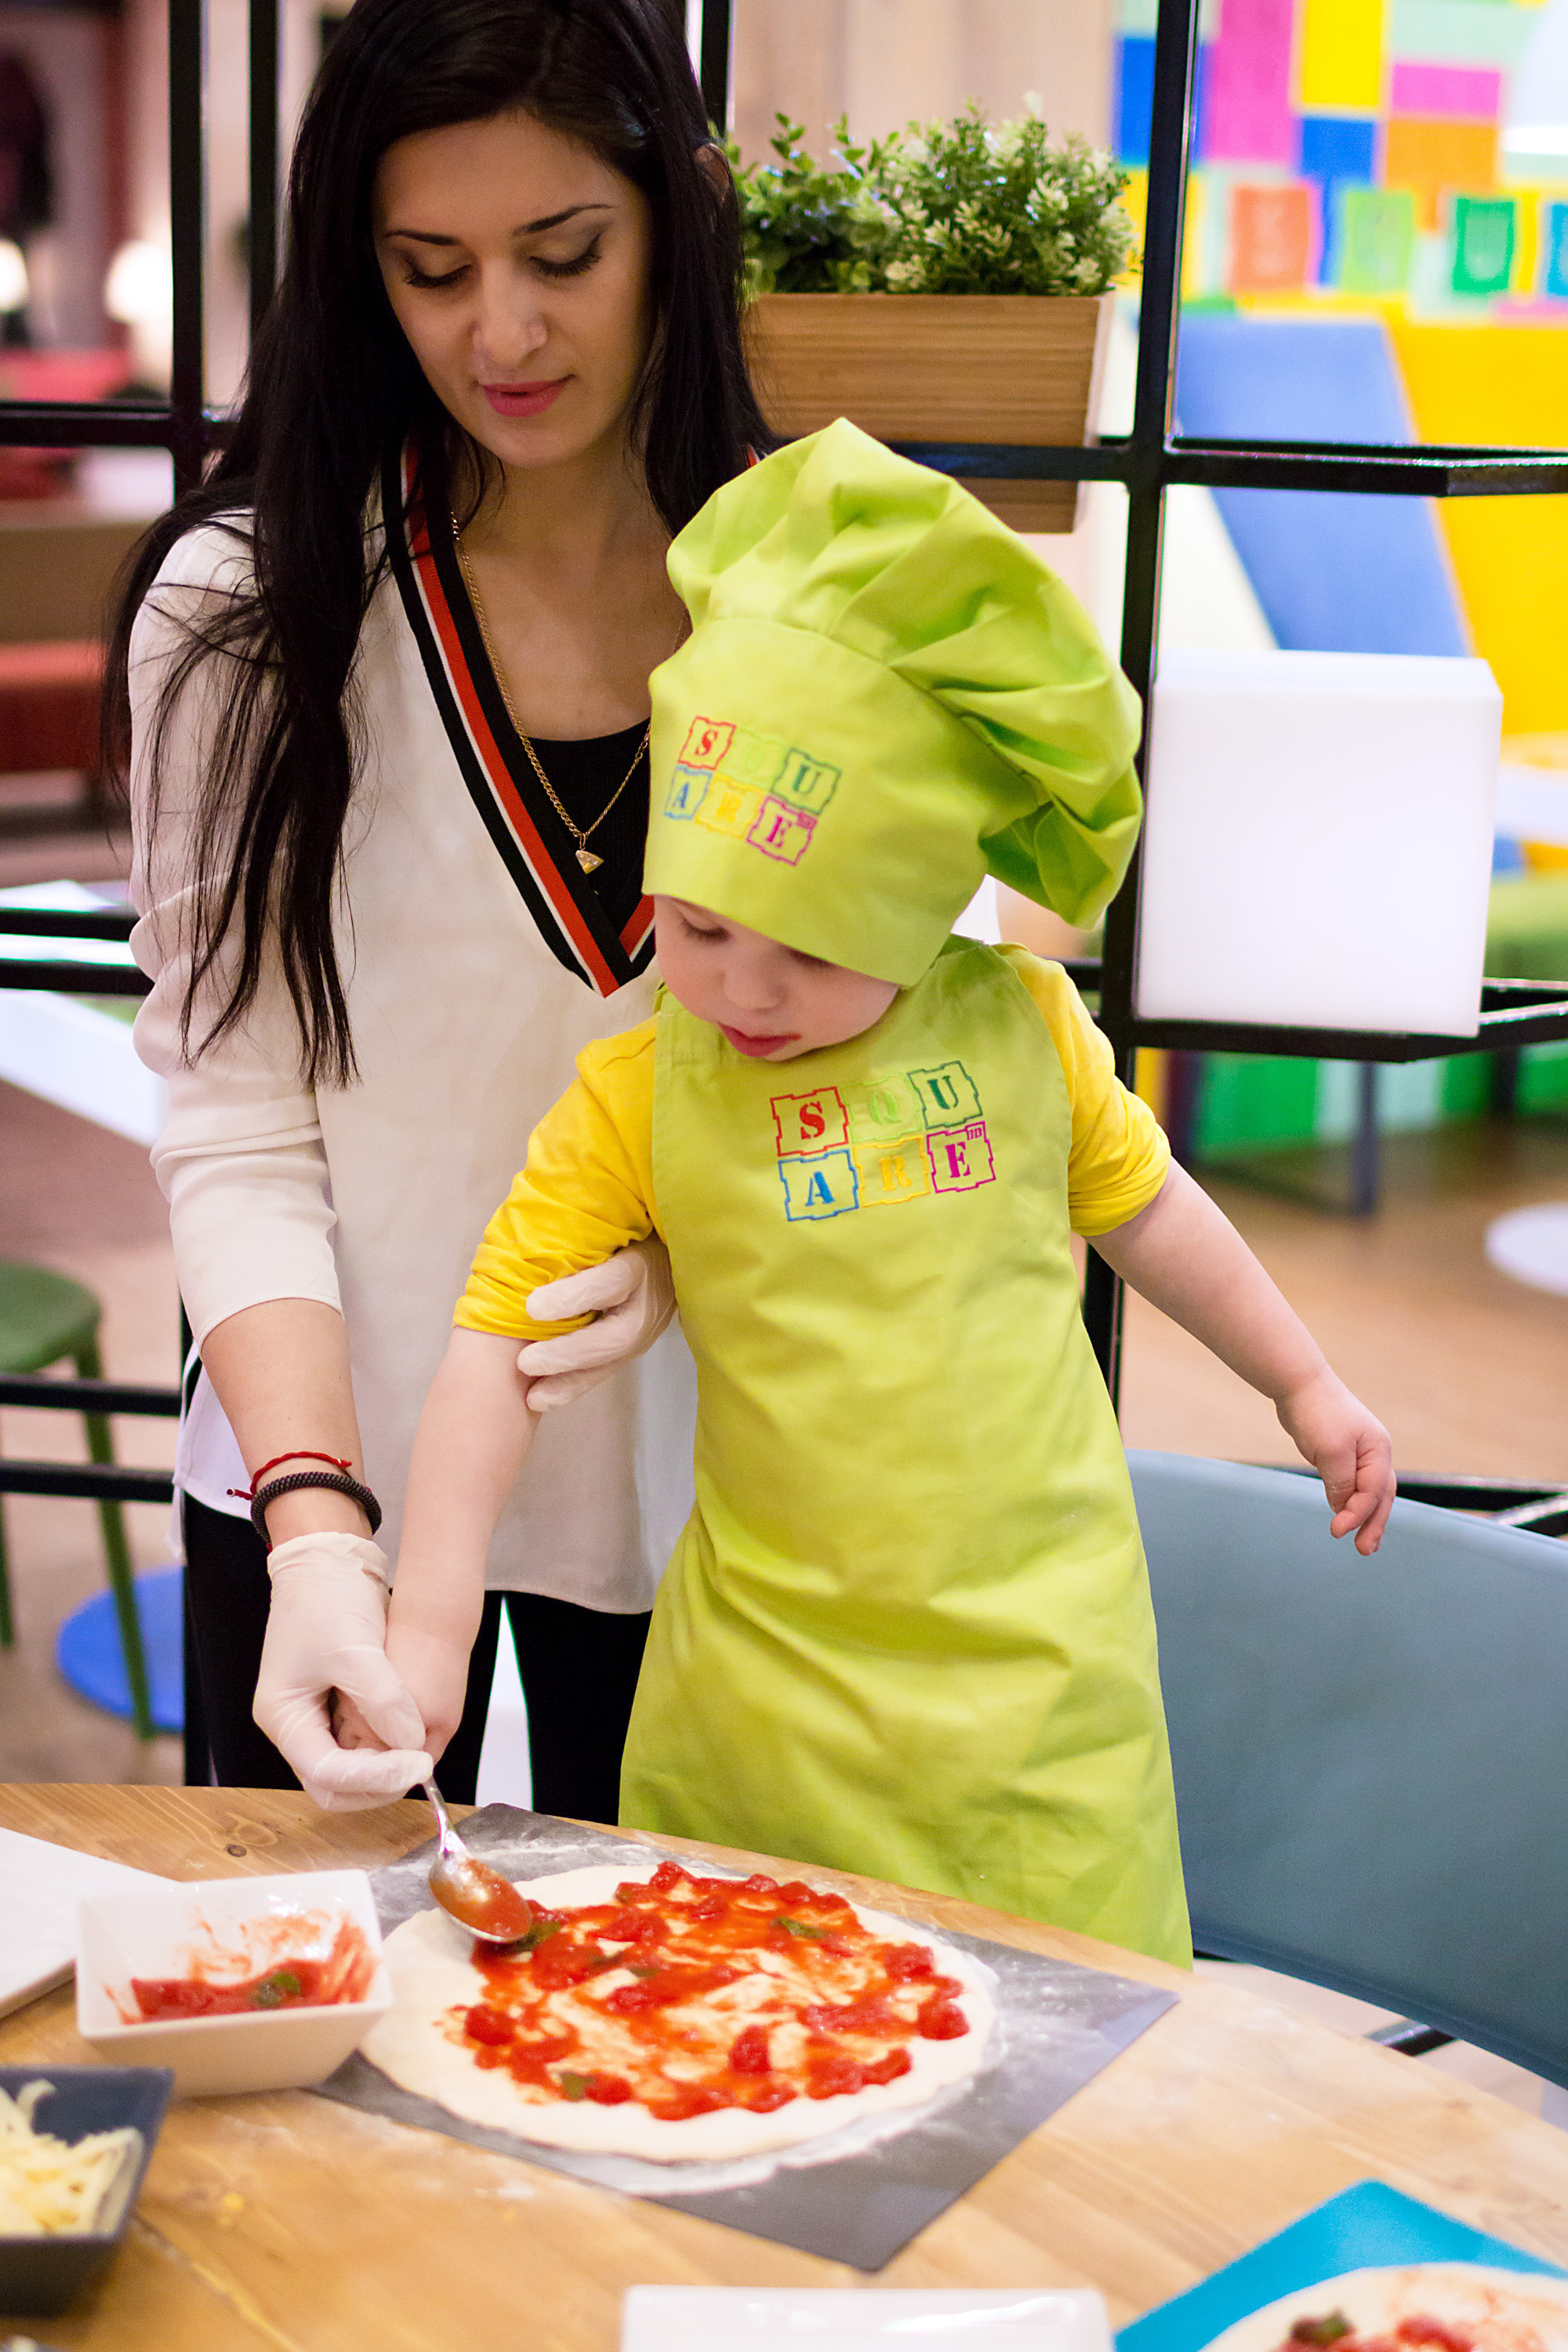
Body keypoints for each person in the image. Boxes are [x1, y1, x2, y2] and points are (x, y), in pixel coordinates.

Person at [360, 423, 1396, 1962]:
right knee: (754, 2025)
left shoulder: (1026, 1030)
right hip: (769, 1698)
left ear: (923, 910)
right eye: (701, 932)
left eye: (812, 949)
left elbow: (1154, 1213)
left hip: (1039, 1684)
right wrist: (431, 1623)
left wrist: (1300, 1381)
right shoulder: (640, 1089)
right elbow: (488, 1355)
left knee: (1068, 2049)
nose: (745, 991)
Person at [114, 0, 771, 1809]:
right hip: (331, 1467)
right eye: (431, 269)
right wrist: (317, 1523)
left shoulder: (803, 589)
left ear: (677, 220)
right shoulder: (251, 611)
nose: (503, 330)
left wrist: (710, 1214)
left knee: (689, 2052)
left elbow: (942, 1000)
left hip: (730, 1496)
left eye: (566, 254)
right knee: (311, 2049)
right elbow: (235, 1111)